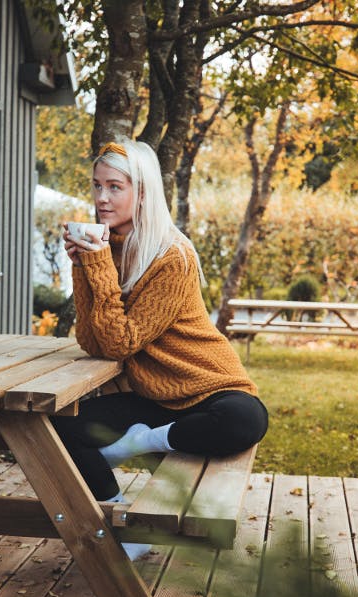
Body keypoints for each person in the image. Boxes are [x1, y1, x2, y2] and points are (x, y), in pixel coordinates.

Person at [53, 140, 269, 560]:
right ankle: (121, 525)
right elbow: (95, 342)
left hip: (206, 387)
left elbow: (123, 341)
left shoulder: (172, 255)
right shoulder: (107, 247)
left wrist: (93, 265)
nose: (101, 198)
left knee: (247, 420)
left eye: (114, 187)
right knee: (58, 431)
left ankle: (147, 441)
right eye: (97, 186)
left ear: (143, 192)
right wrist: (83, 267)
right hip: (155, 396)